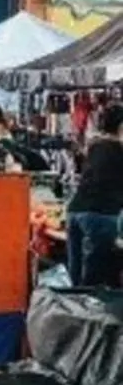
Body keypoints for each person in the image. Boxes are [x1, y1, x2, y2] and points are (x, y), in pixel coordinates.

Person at [67, 103, 123, 286]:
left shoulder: (95, 146)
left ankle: (73, 303)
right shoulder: (117, 150)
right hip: (100, 214)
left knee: (76, 276)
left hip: (75, 211)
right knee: (94, 280)